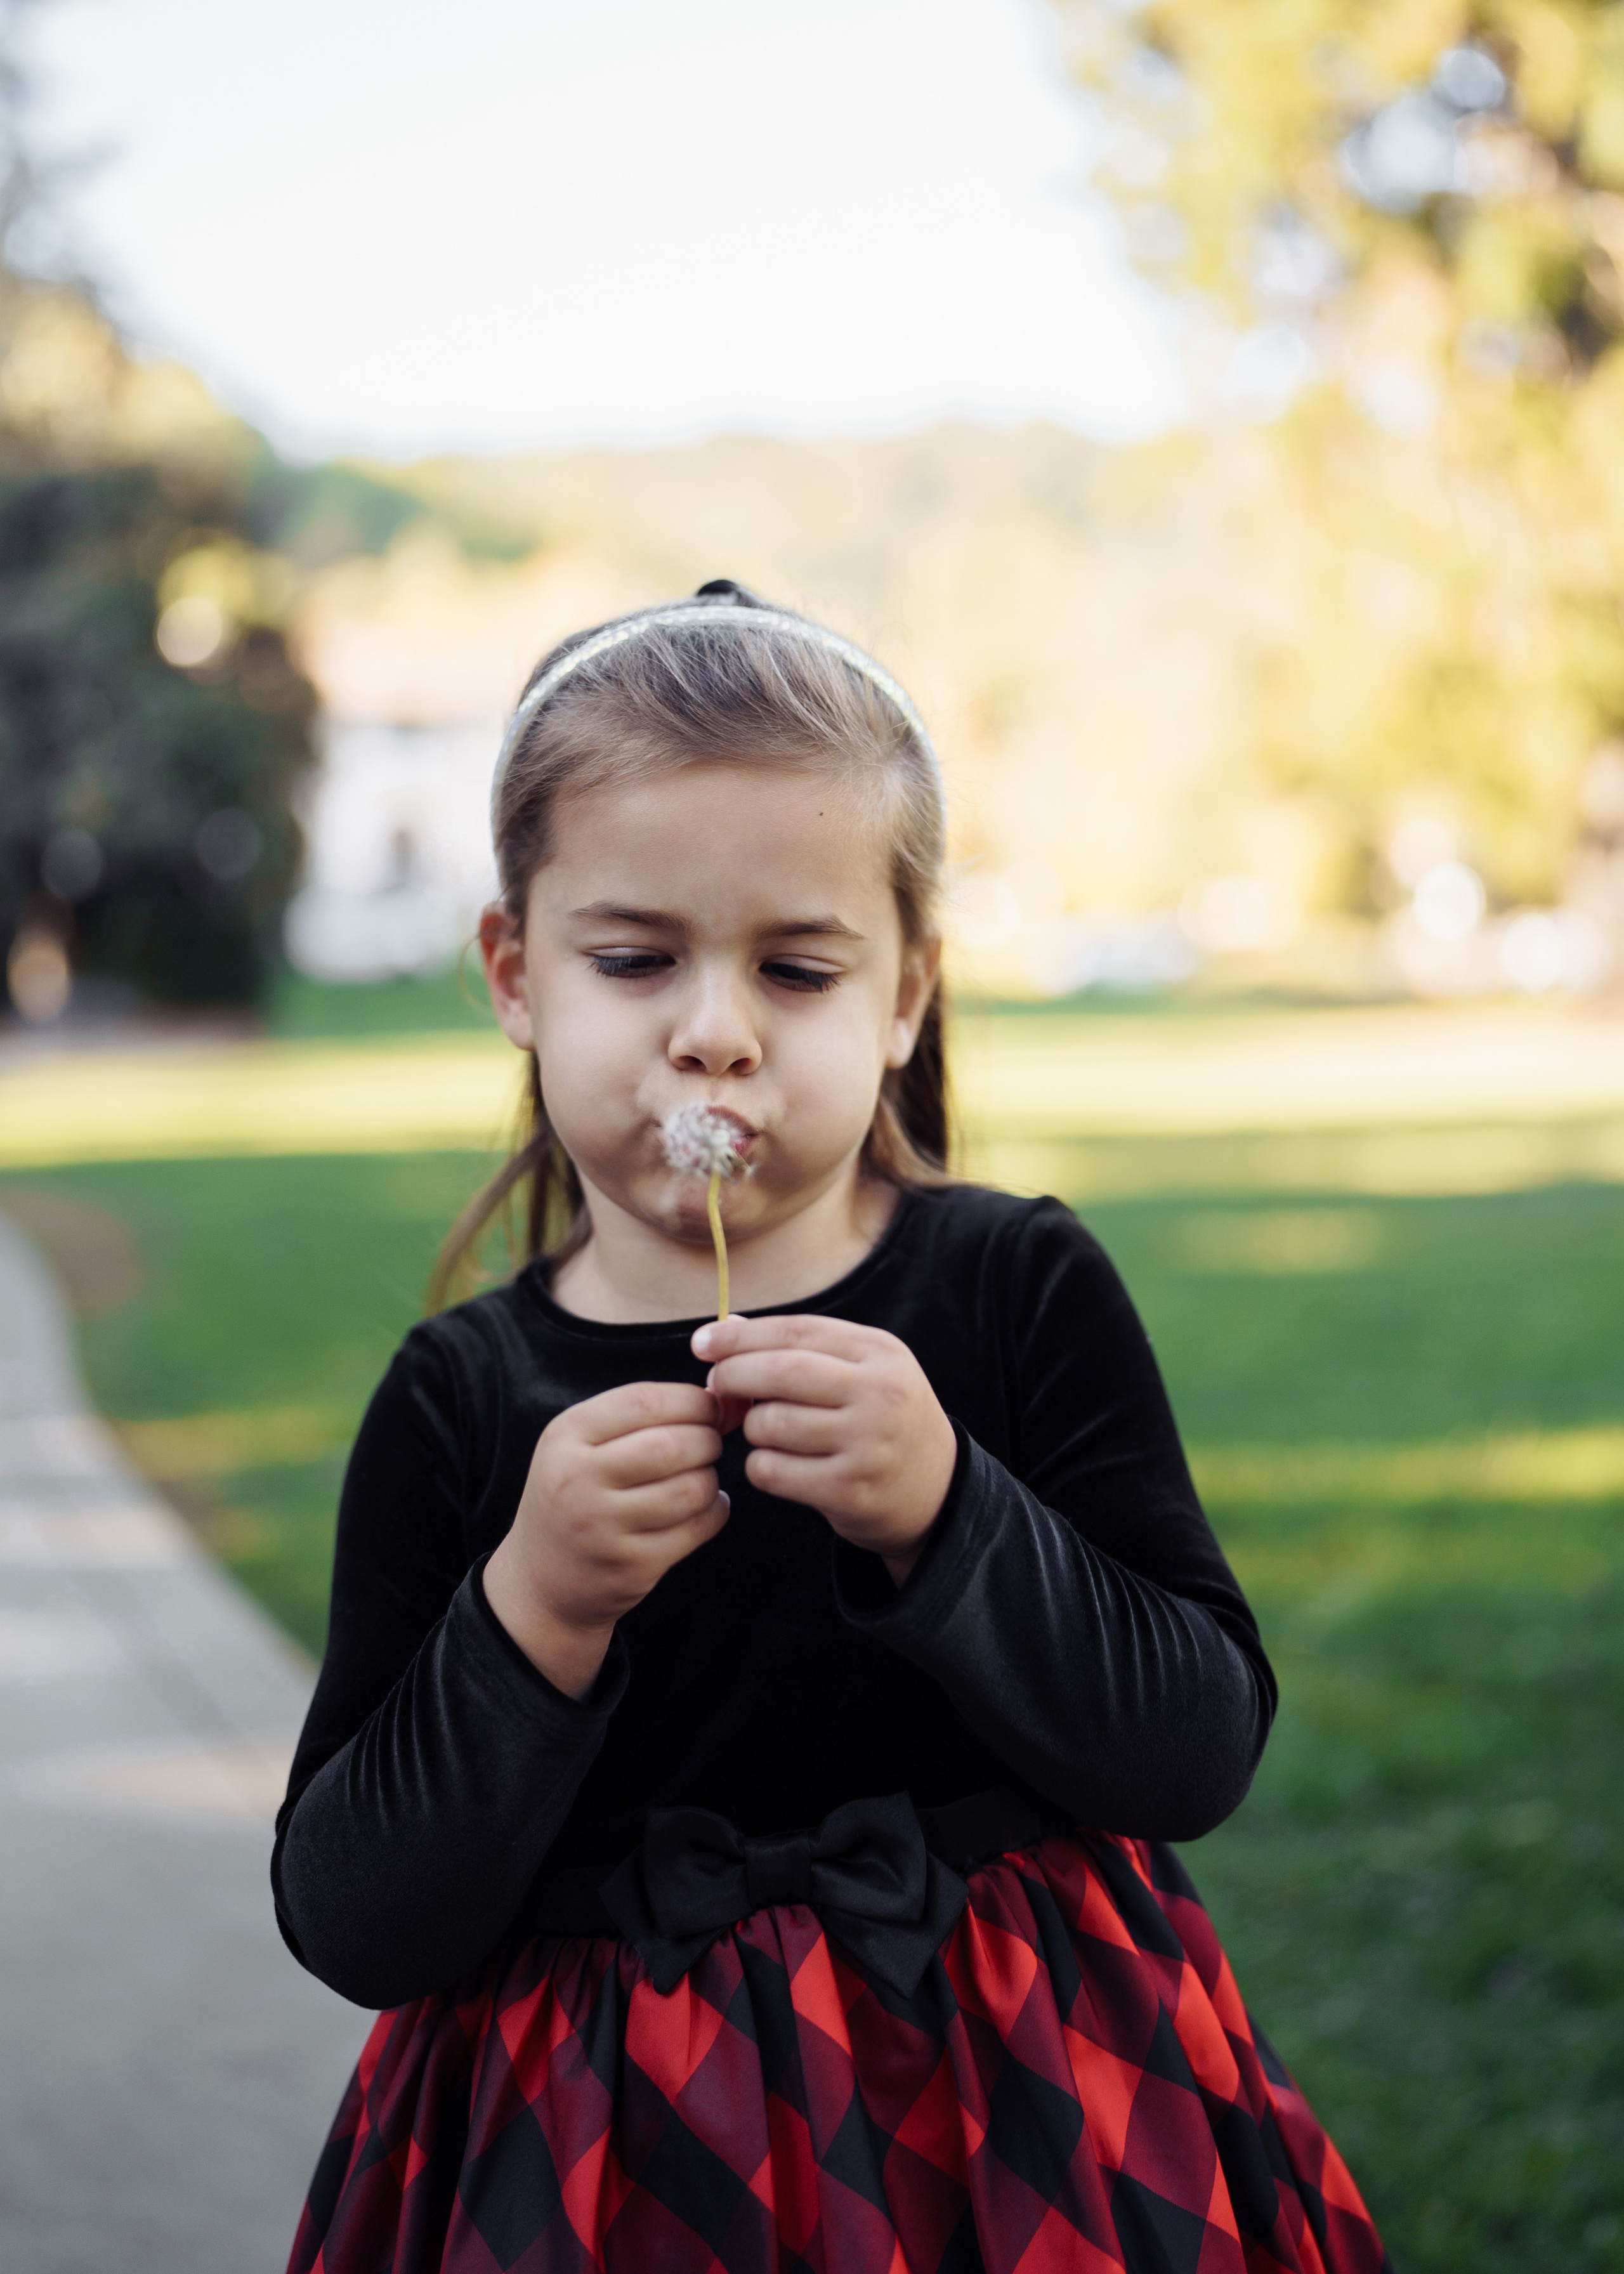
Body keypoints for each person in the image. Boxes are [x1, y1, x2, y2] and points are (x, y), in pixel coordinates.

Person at [275, 582, 1390, 2274]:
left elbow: (1192, 1744)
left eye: (795, 966)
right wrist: (538, 1611)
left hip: (1024, 2117)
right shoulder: (463, 1399)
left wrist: (951, 1511)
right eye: (635, 955)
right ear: (514, 971)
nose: (712, 1026)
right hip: (604, 2156)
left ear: (905, 996)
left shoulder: (1012, 1288)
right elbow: (356, 1910)